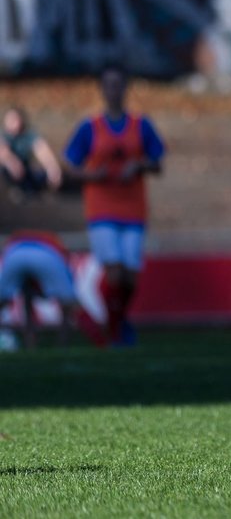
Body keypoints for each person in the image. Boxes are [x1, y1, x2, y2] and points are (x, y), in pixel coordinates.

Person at [62, 65, 165, 346]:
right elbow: (71, 165)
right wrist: (91, 175)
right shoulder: (90, 126)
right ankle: (114, 328)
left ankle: (114, 322)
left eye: (118, 84)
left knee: (130, 277)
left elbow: (157, 162)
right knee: (115, 270)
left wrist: (140, 165)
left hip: (133, 209)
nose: (114, 90)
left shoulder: (140, 124)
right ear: (102, 89)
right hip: (101, 209)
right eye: (108, 84)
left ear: (126, 87)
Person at [0, 229, 105, 349]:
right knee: (69, 304)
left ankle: (31, 344)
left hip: (14, 251)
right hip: (47, 252)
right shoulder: (56, 245)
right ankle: (71, 345)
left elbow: (27, 305)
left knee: (4, 301)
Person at [1, 106, 64, 198]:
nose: (12, 122)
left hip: (24, 170)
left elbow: (42, 149)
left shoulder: (28, 135)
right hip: (7, 172)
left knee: (40, 178)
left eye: (14, 119)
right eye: (9, 119)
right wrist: (12, 163)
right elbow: (3, 151)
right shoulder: (3, 135)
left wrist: (53, 169)